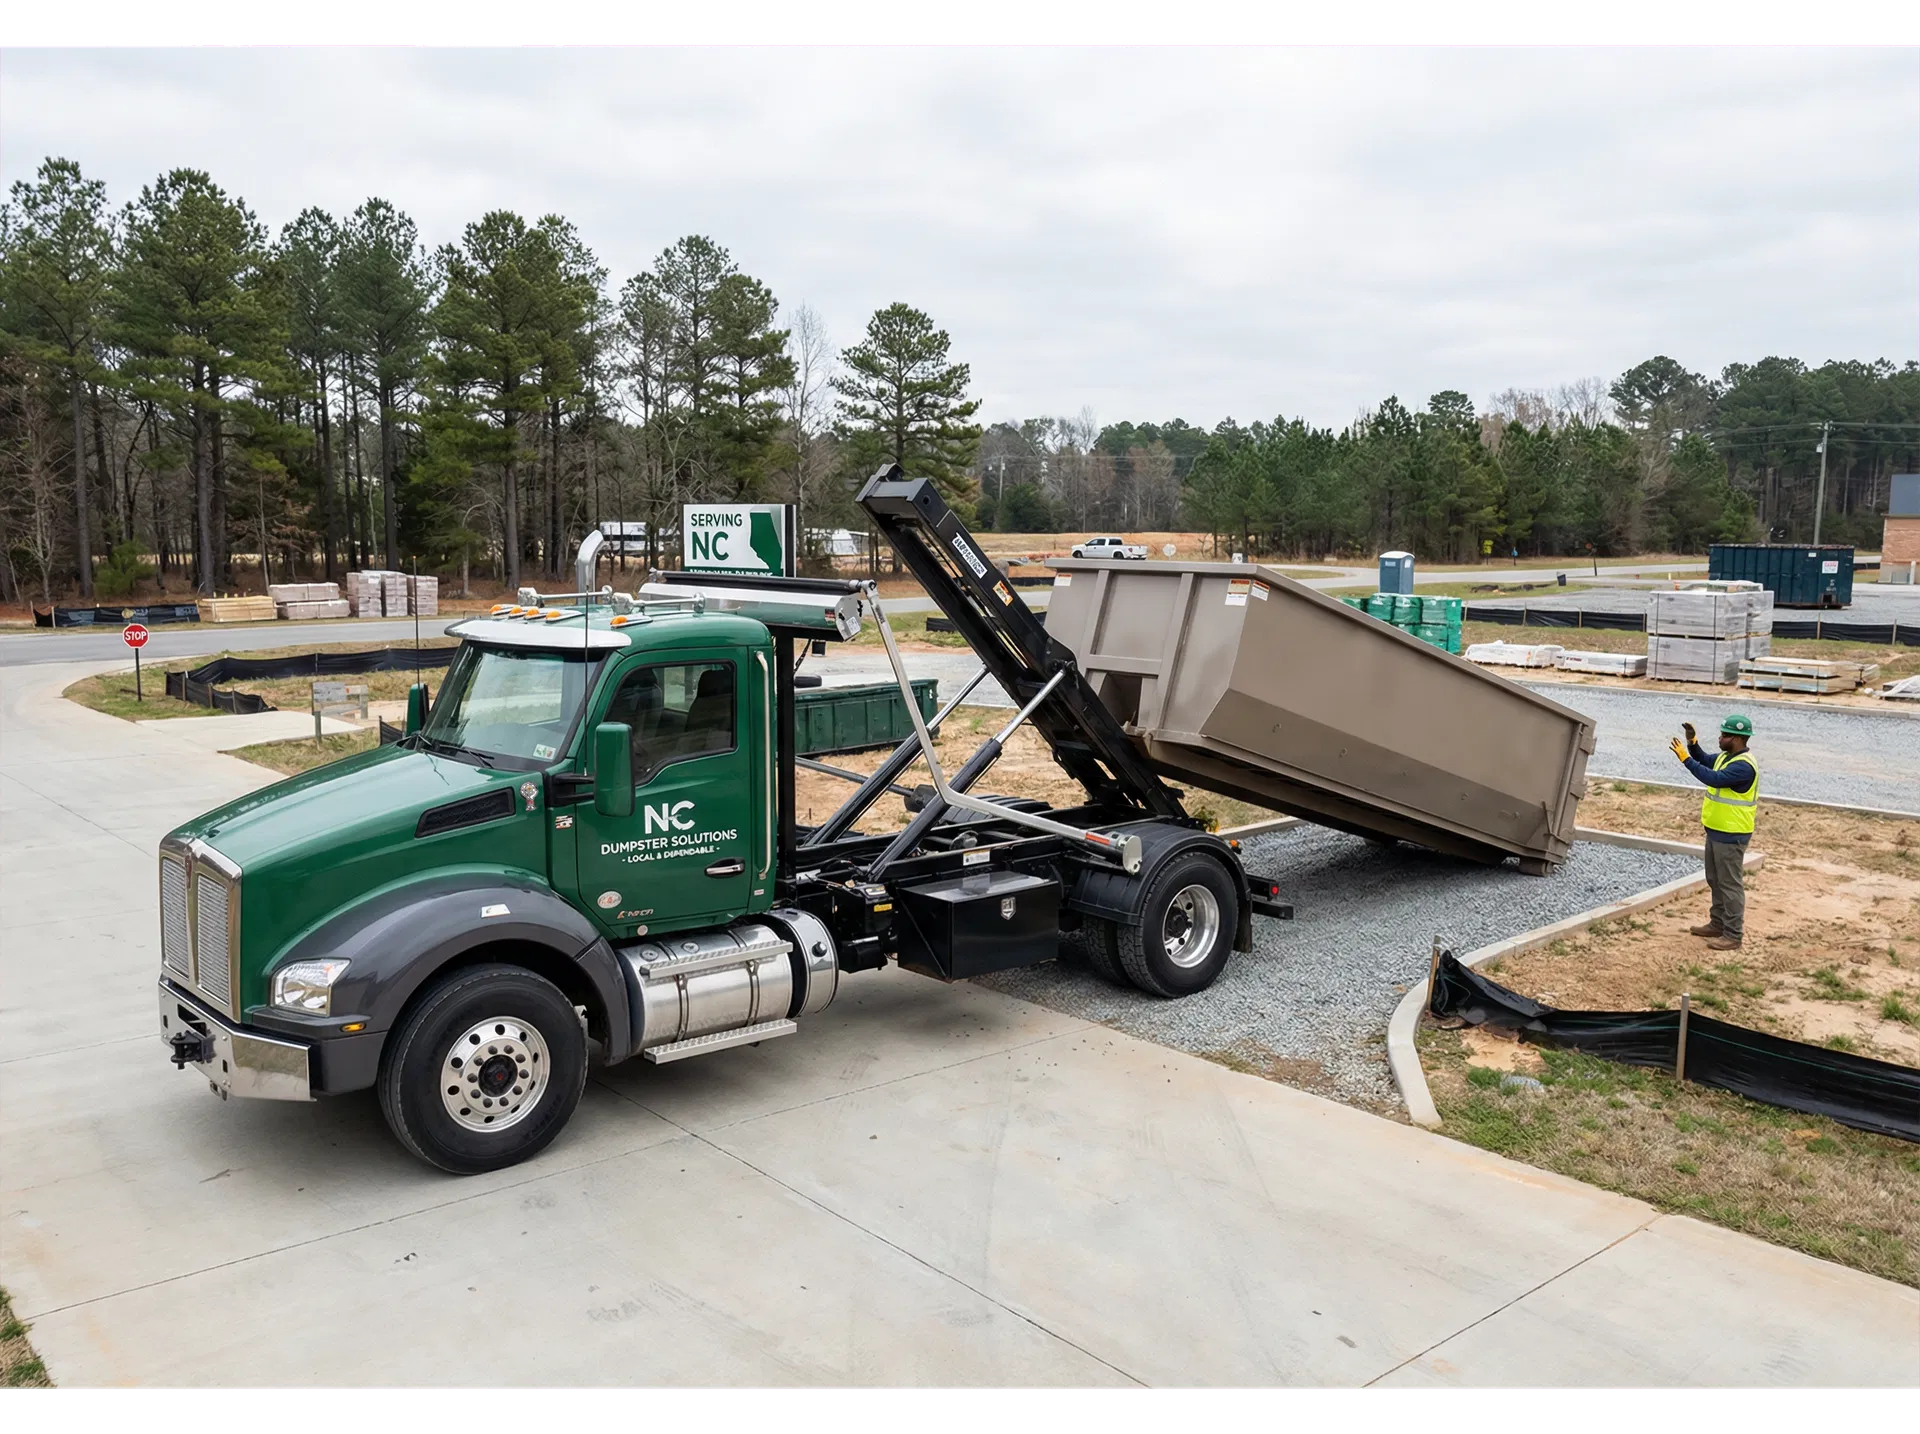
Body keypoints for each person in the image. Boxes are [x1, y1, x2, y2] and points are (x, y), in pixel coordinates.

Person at [1668, 714, 1759, 951]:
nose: (1720, 738)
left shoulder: (1742, 766)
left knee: (1729, 885)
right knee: (1715, 880)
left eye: (1724, 735)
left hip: (1732, 834)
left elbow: (1713, 778)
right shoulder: (1726, 757)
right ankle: (1717, 924)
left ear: (1738, 739)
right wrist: (1692, 744)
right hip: (1717, 830)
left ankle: (1733, 934)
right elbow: (1707, 761)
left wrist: (1686, 760)